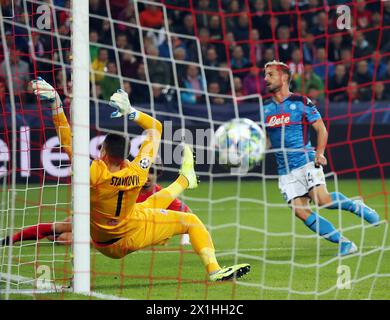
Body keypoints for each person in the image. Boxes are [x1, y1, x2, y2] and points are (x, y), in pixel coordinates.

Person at [13, 78, 250, 282]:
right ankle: (215, 270)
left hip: (103, 240)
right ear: (125, 154)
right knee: (191, 221)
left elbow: (66, 139)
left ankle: (185, 180)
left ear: (103, 152)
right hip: (130, 234)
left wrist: (55, 102)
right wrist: (131, 112)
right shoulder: (138, 170)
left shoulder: (93, 172)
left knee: (145, 206)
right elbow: (156, 128)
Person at [263, 60, 379, 256]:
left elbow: (320, 128)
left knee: (322, 200)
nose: (265, 79)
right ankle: (344, 243)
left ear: (283, 78)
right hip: (285, 171)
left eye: (270, 75)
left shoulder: (300, 102)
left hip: (306, 160)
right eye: (265, 75)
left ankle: (355, 205)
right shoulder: (265, 109)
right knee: (300, 211)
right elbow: (267, 139)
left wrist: (319, 152)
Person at [0, 163, 192, 246]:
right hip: (101, 220)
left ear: (157, 175)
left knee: (65, 238)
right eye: (147, 172)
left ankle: (62, 238)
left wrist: (185, 240)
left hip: (120, 235)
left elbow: (186, 214)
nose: (149, 176)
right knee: (61, 225)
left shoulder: (160, 194)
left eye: (153, 172)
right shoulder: (127, 183)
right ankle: (12, 238)